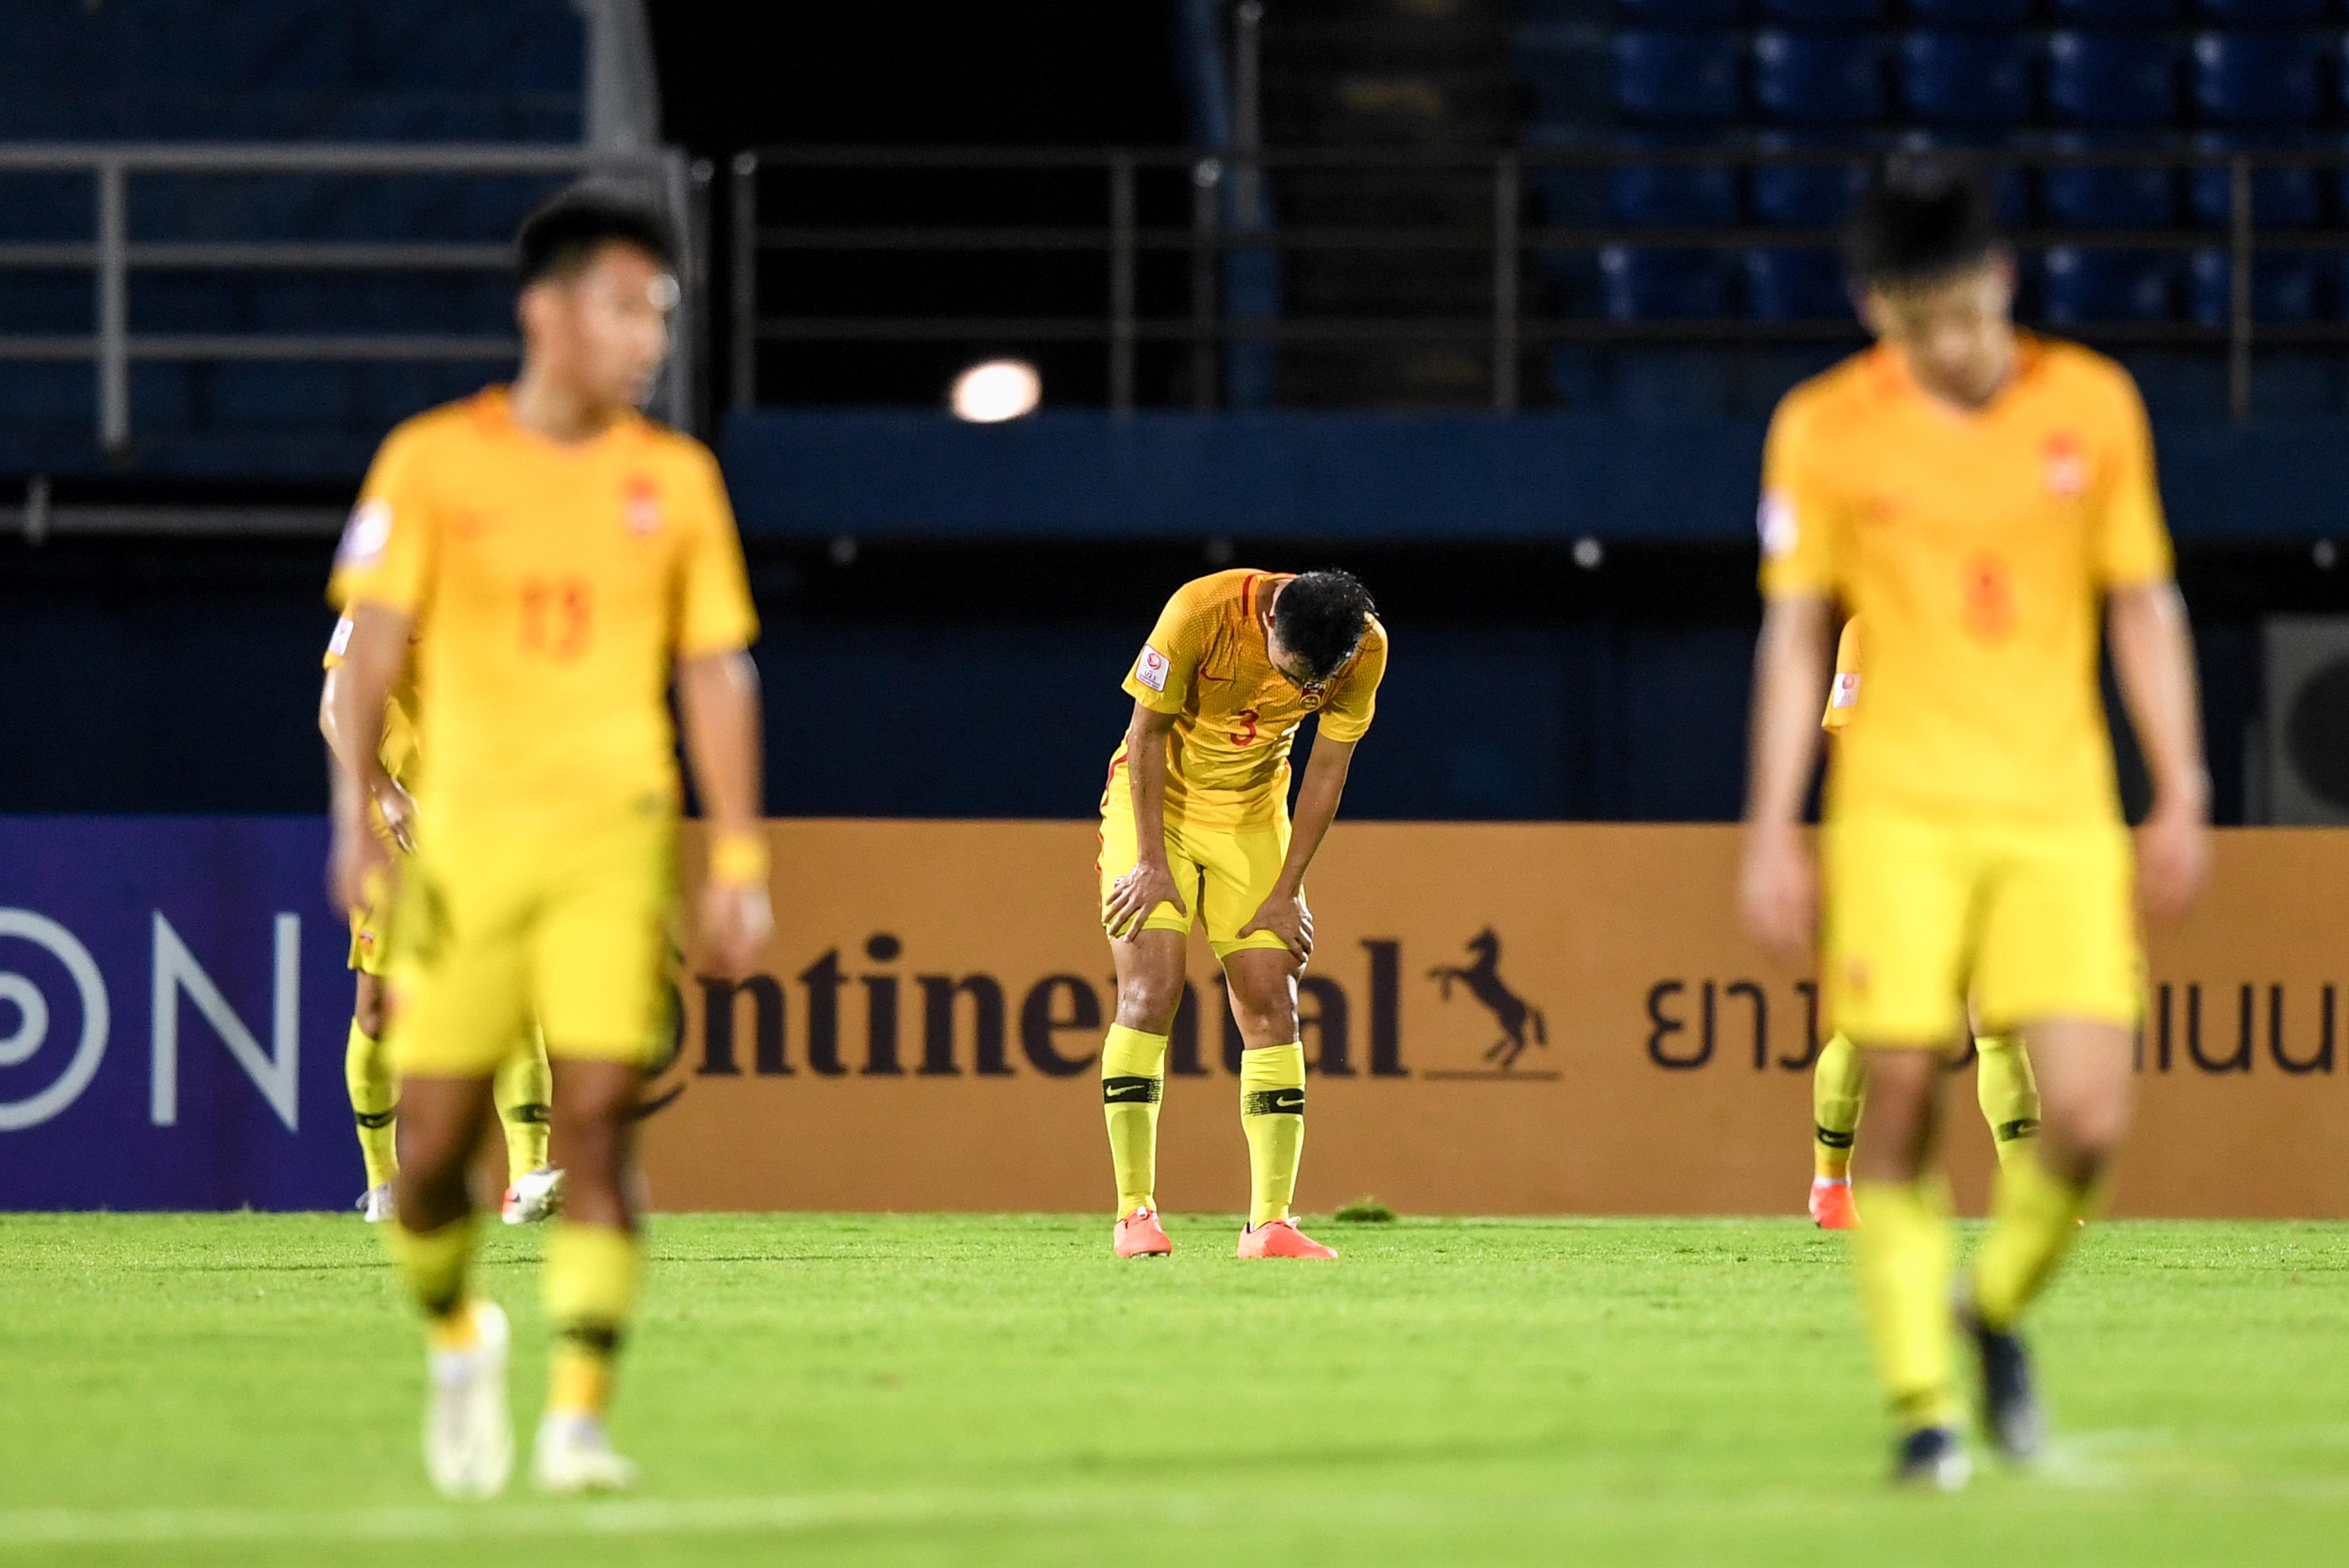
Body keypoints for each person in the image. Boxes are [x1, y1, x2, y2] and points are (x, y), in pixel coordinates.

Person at [1738, 156, 2210, 1489]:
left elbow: (2142, 602)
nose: (1934, 344)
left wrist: (2182, 784)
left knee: (2091, 1118)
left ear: (1997, 283)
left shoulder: (2094, 407)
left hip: (2059, 810)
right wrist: (1773, 822)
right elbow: (1794, 636)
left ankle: (1988, 1307)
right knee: (1900, 1092)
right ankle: (1923, 1412)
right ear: (1871, 306)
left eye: (1951, 311)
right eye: (1903, 319)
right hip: (1897, 814)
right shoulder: (1826, 428)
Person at [325, 189, 770, 1498]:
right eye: (626, 309)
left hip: (609, 844)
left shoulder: (674, 480)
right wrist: (358, 811)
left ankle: (577, 1417)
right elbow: (364, 660)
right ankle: (463, 1336)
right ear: (546, 310)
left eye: (662, 316)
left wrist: (738, 859)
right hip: (462, 848)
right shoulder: (432, 464)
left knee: (594, 1121)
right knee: (431, 1163)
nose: (649, 339)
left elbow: (717, 673)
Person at [1097, 568, 1386, 1260]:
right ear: (1269, 625)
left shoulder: (1366, 647)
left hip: (1254, 821)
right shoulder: (1199, 612)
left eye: (1311, 683)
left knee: (1273, 1004)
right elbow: (1146, 730)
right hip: (1157, 813)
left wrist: (1289, 888)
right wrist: (1151, 863)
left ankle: (1270, 1226)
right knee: (1150, 992)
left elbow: (1326, 768)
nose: (1298, 690)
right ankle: (1134, 1213)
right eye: (1289, 672)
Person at [319, 623, 564, 1227]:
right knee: (377, 1008)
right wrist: (383, 792)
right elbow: (334, 706)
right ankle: (382, 1181)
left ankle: (526, 1176)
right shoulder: (387, 583)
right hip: (401, 823)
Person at [1805, 618, 2044, 1233]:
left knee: (1996, 1022)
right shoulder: (1871, 623)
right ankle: (1831, 1185)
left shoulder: (2001, 616)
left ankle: (2024, 1192)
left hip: (1985, 845)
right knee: (1866, 1024)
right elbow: (1852, 745)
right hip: (1899, 854)